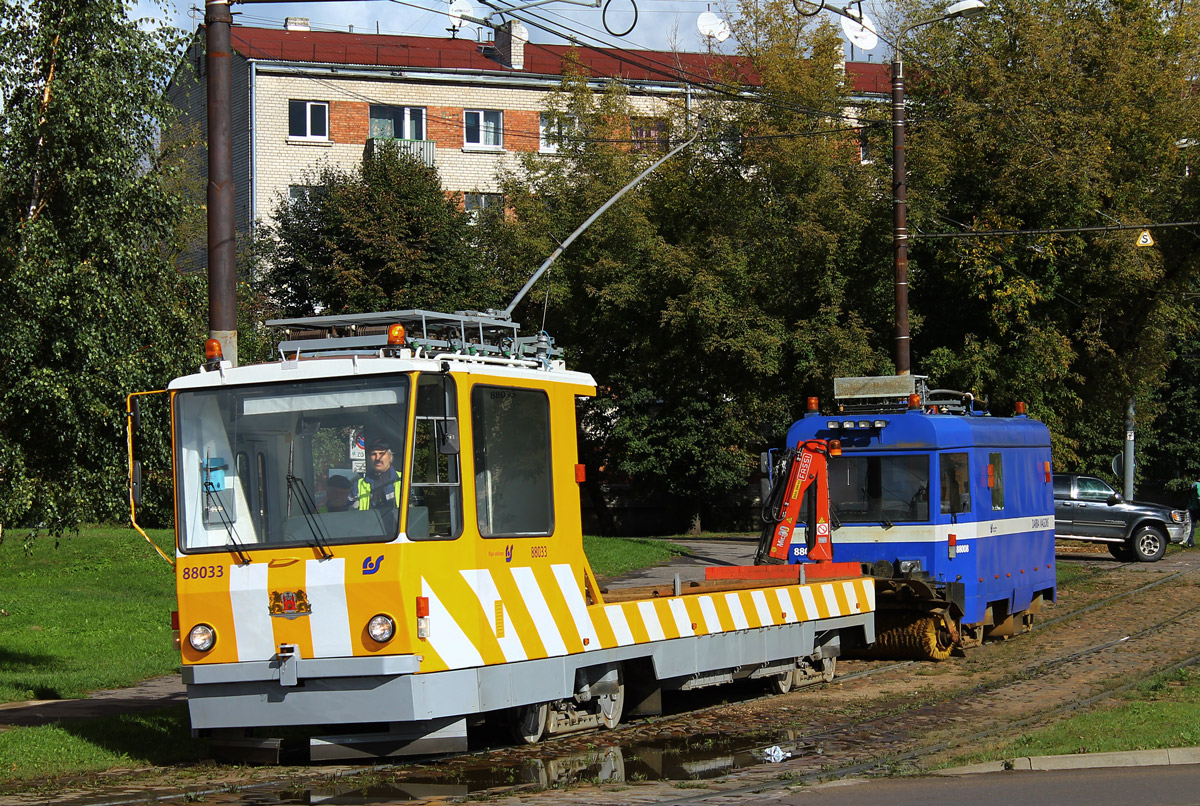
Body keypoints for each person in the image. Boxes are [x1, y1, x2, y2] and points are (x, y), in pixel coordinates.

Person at [358, 438, 402, 512]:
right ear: (369, 458)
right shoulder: (359, 485)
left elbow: (415, 513)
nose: (378, 458)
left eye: (381, 453)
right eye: (373, 454)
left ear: (390, 457)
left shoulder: (404, 480)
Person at [1187, 476, 1200, 548]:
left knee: (1192, 525)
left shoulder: (1193, 484)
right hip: (1198, 508)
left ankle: (1190, 542)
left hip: (1191, 508)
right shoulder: (1199, 485)